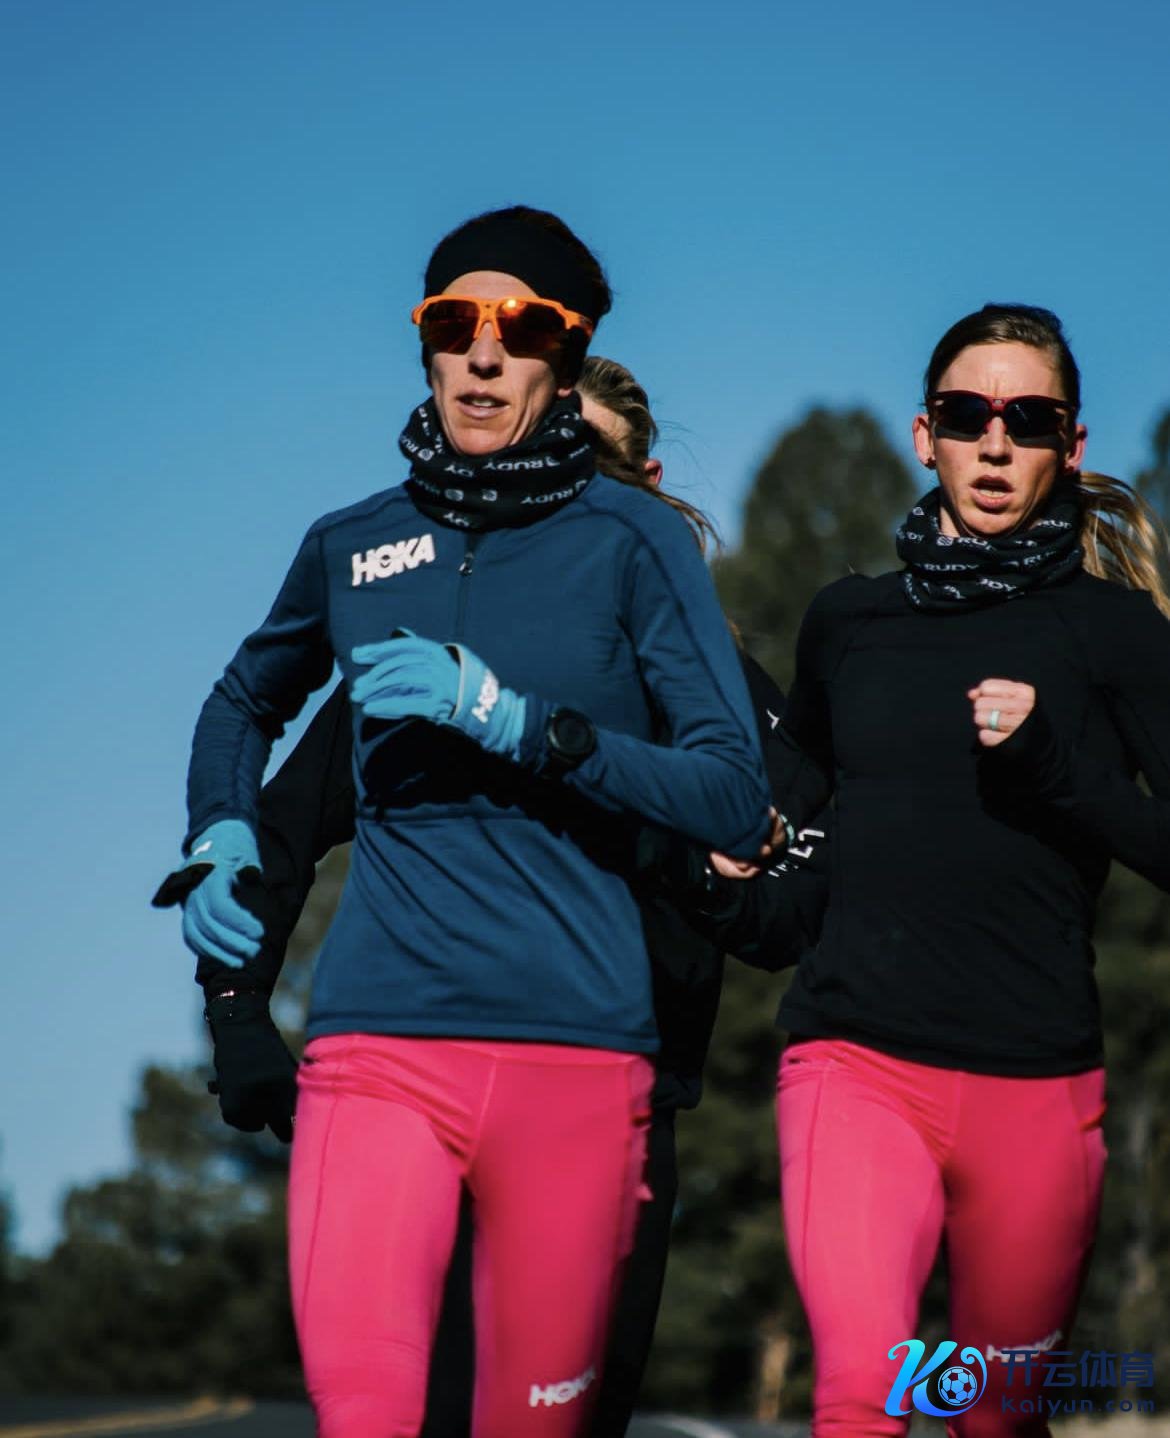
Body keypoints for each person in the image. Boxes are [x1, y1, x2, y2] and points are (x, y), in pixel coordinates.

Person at [156, 206, 775, 1438]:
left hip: (580, 1057)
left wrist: (520, 723)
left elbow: (729, 791)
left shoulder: (636, 542)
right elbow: (242, 701)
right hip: (374, 1052)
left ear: (565, 354)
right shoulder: (353, 543)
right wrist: (220, 831)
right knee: (371, 1416)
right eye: (454, 323)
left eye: (521, 328)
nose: (484, 354)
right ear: (425, 344)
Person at [769, 303, 1170, 1438]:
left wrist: (1060, 771)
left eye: (1028, 420)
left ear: (1071, 447)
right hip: (853, 1064)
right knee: (863, 1393)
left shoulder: (1115, 631)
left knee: (995, 1416)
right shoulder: (848, 620)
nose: (996, 444)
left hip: (1037, 1083)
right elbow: (791, 798)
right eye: (967, 414)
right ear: (924, 434)